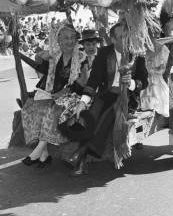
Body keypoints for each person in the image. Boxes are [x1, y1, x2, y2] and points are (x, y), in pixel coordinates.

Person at [61, 22, 149, 177]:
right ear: (113, 39)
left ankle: (80, 156)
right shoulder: (103, 53)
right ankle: (82, 158)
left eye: (128, 36)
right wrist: (83, 102)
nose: (126, 40)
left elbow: (144, 81)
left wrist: (132, 83)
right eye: (122, 37)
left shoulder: (138, 55)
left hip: (127, 97)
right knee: (90, 117)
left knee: (108, 116)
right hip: (105, 94)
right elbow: (94, 80)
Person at [20, 22, 87, 168]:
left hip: (73, 96)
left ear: (76, 40)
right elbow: (41, 69)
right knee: (30, 108)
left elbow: (83, 82)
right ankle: (44, 154)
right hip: (52, 94)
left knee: (52, 110)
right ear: (59, 41)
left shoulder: (82, 57)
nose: (69, 41)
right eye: (65, 38)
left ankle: (38, 152)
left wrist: (65, 91)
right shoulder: (54, 56)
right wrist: (38, 56)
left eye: (72, 38)